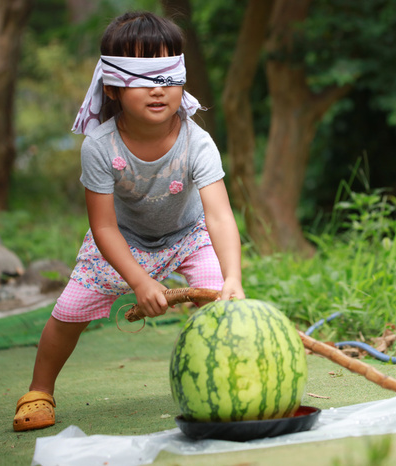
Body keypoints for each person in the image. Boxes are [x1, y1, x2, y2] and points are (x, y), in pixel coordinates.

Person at [13, 11, 245, 432]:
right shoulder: (100, 147)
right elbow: (103, 227)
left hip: (188, 234)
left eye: (168, 77)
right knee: (68, 313)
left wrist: (233, 277)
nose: (158, 91)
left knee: (221, 304)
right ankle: (39, 389)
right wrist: (139, 281)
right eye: (143, 78)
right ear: (113, 86)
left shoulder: (198, 141)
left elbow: (219, 214)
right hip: (123, 238)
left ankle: (231, 384)